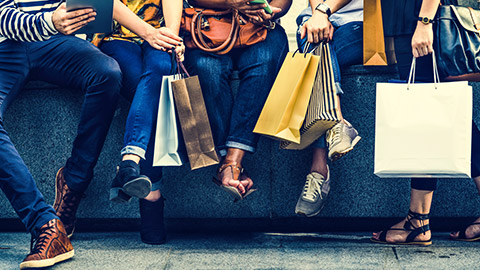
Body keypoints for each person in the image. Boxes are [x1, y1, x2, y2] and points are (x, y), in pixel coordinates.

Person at [371, 0, 480, 245]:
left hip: (418, 18)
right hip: (411, 19)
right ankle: (417, 219)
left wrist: (424, 21)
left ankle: (418, 220)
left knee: (427, 118)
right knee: (439, 117)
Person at [92, 0, 185, 244]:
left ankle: (129, 164)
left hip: (161, 34)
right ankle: (152, 195)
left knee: (161, 67)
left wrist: (171, 39)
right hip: (115, 35)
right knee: (148, 91)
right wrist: (150, 33)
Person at [184, 0, 291, 201]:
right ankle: (231, 164)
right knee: (206, 69)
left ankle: (232, 162)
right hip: (207, 25)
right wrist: (230, 3)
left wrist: (270, 12)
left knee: (264, 64)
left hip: (261, 28)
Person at [293, 0, 363, 217]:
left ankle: (318, 169)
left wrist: (324, 11)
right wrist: (318, 16)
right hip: (318, 18)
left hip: (365, 22)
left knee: (316, 56)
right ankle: (338, 125)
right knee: (314, 38)